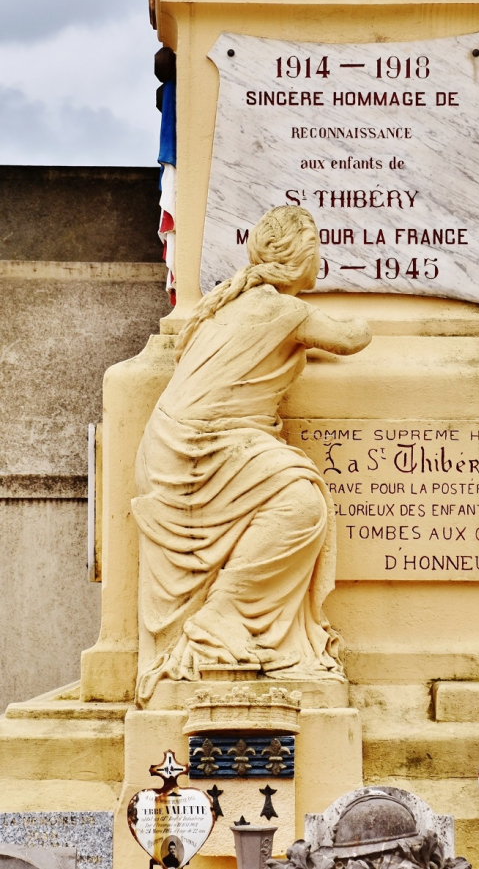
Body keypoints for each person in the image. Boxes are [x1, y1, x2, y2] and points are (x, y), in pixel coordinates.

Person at [132, 206, 371, 704]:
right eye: (317, 252)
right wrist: (371, 314)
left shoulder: (225, 306)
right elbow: (350, 339)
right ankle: (222, 614)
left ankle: (225, 611)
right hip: (206, 443)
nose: (321, 262)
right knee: (301, 504)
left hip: (170, 443)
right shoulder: (287, 311)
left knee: (296, 498)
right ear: (301, 258)